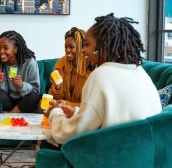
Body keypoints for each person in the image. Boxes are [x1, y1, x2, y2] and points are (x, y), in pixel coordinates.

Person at [44, 13, 162, 146]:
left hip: (110, 156)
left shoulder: (100, 75)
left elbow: (69, 134)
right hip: (142, 154)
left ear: (104, 46)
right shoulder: (141, 73)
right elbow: (116, 120)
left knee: (51, 142)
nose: (83, 51)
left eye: (87, 45)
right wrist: (77, 112)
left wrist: (55, 113)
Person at [0, 30, 40, 113]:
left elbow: (35, 90)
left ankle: (10, 115)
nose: (1, 51)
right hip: (7, 99)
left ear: (15, 49)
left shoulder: (30, 62)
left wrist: (22, 85)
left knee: (34, 97)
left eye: (5, 48)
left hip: (23, 101)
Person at [48, 27, 91, 108]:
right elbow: (55, 98)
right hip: (62, 110)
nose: (67, 50)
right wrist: (57, 87)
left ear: (82, 48)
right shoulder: (61, 63)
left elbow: (89, 106)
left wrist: (67, 104)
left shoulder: (91, 67)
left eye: (71, 47)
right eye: (66, 47)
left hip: (82, 113)